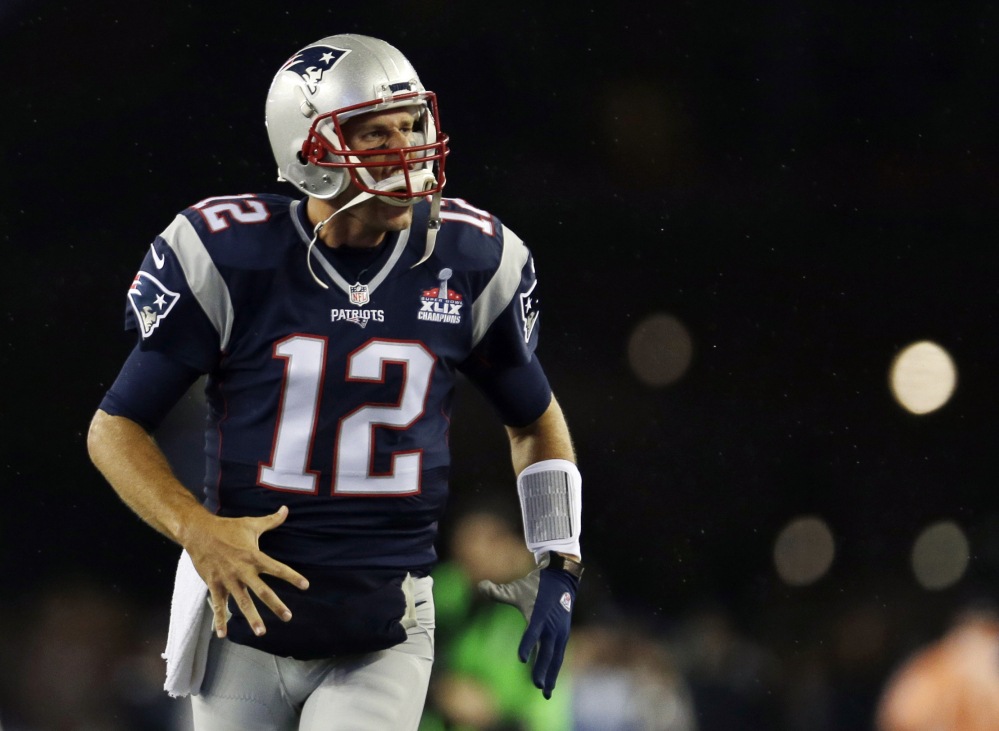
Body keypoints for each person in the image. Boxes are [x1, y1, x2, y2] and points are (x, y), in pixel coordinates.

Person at [86, 34, 584, 731]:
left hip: (383, 626)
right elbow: (113, 426)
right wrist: (195, 528)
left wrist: (558, 561)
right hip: (243, 619)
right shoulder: (232, 255)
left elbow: (533, 419)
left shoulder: (469, 259)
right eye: (375, 132)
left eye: (411, 125)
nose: (405, 146)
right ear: (307, 149)